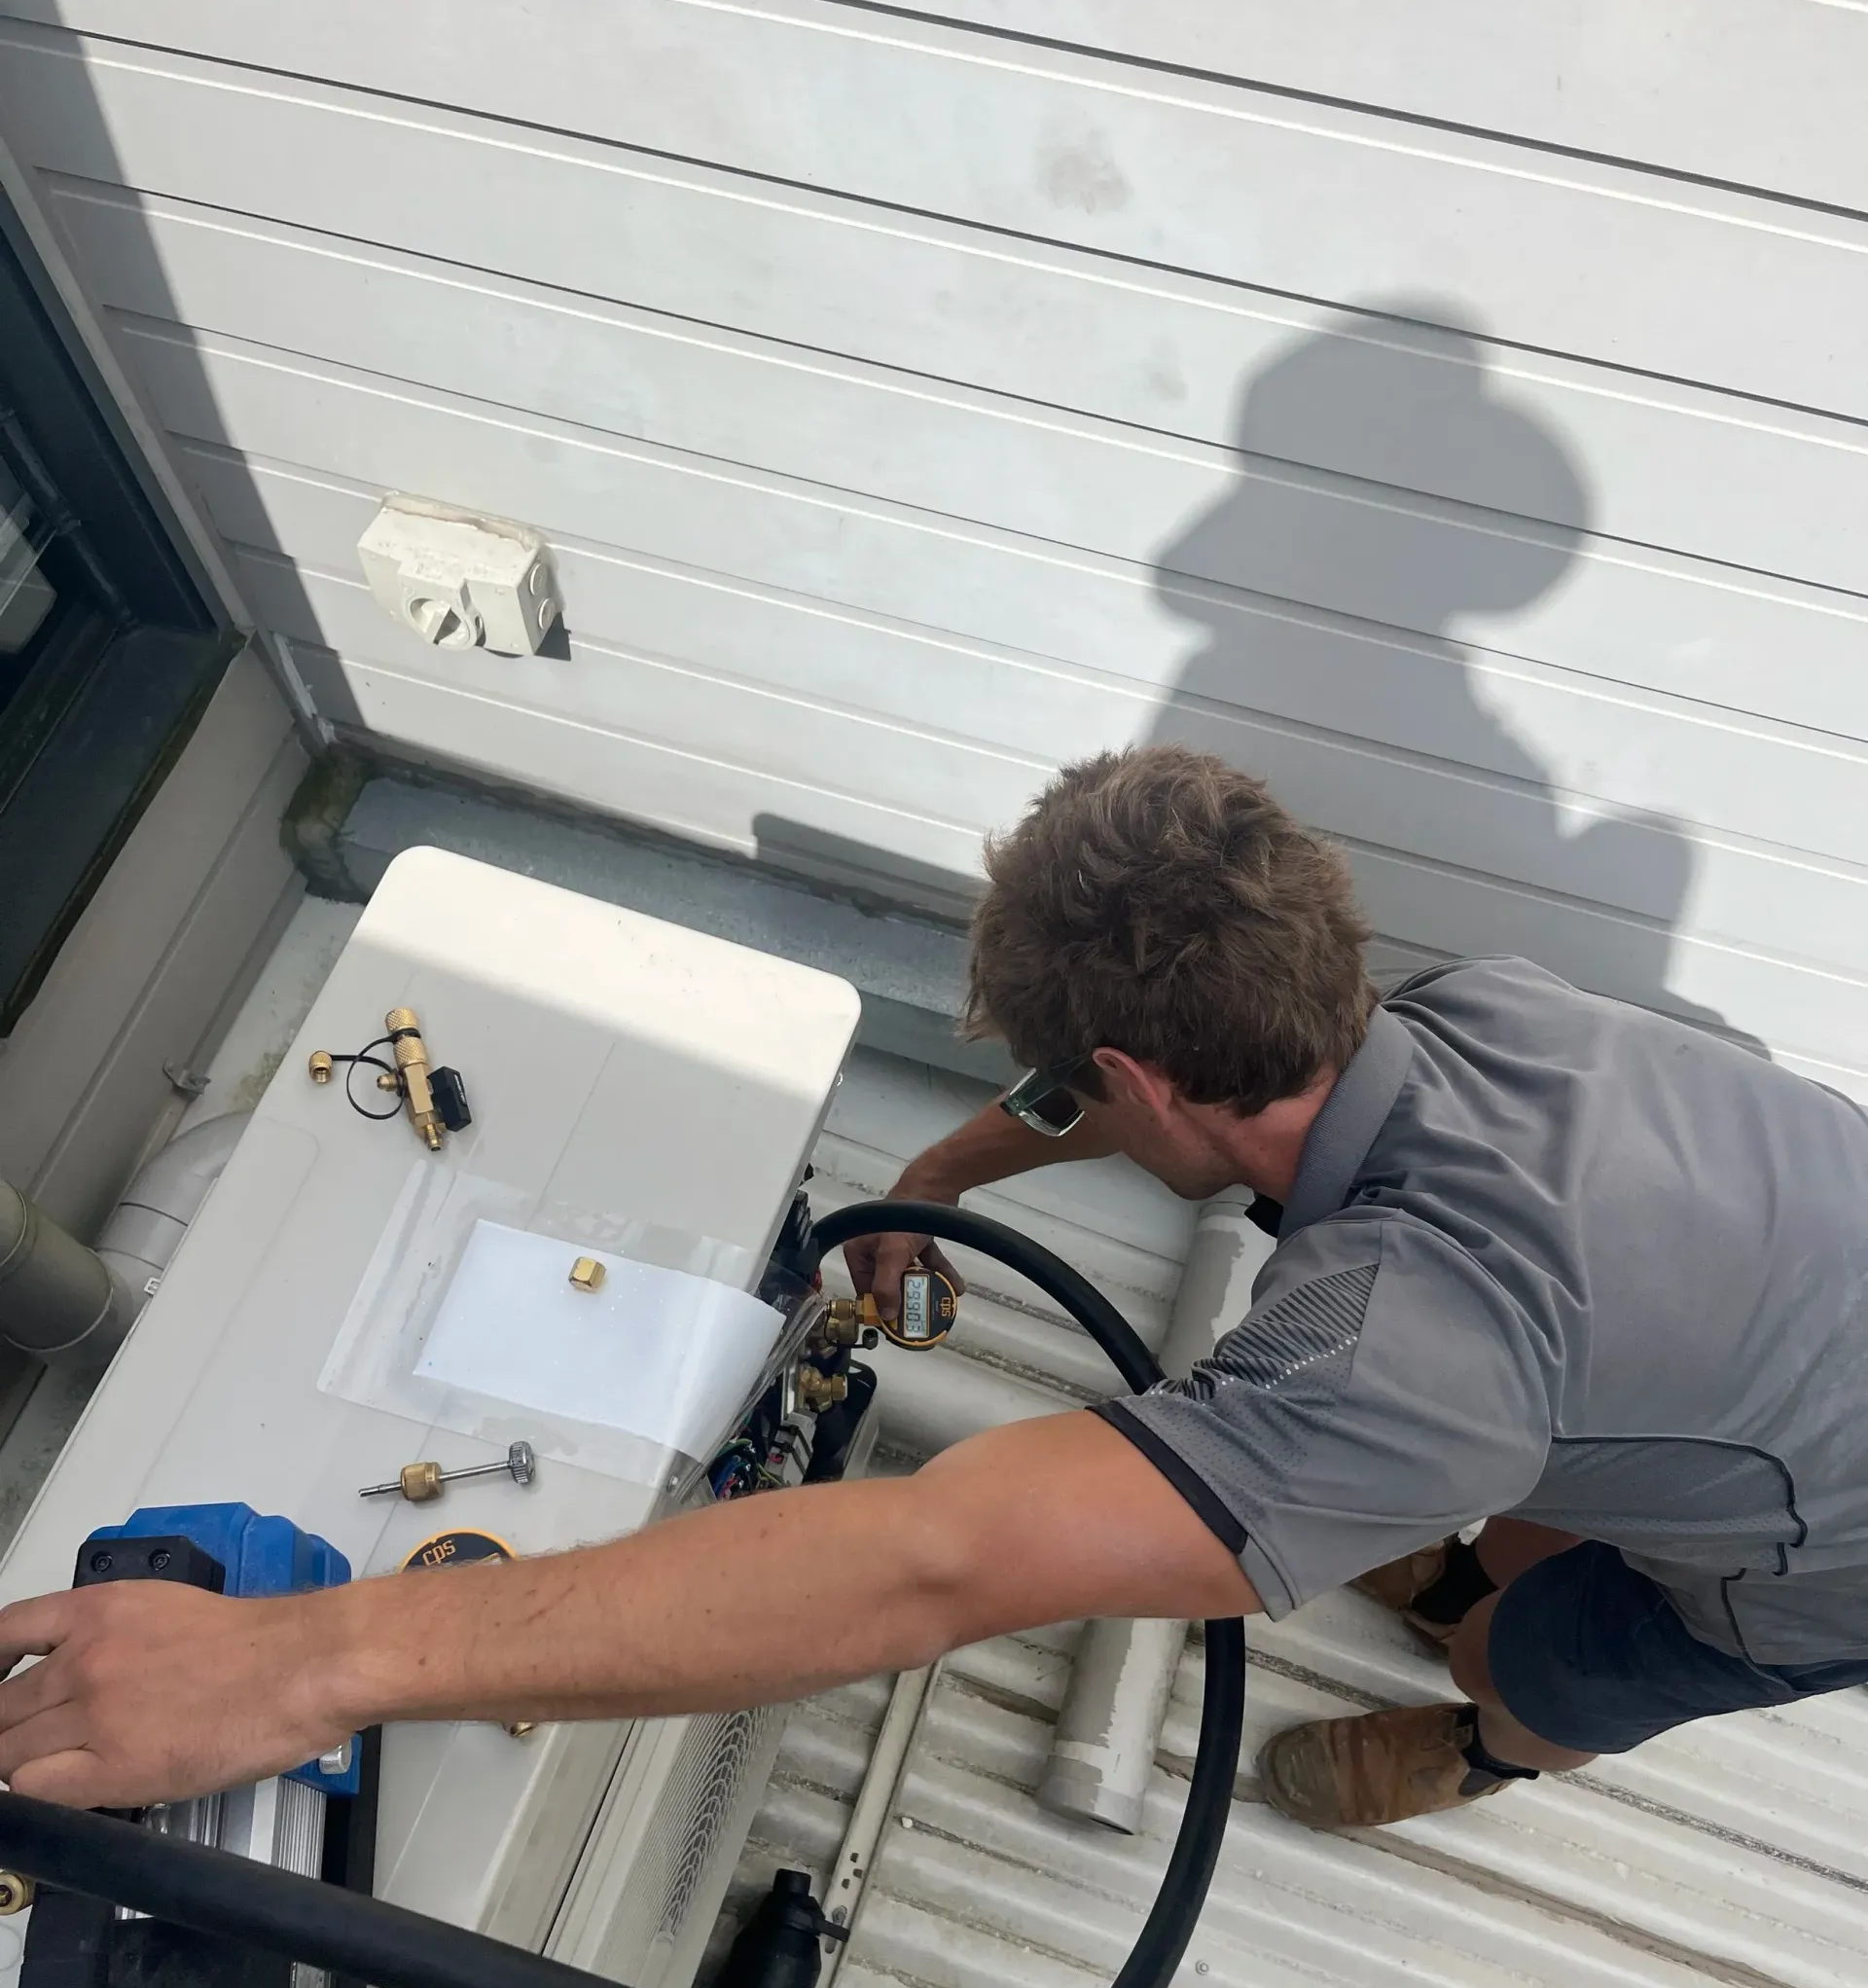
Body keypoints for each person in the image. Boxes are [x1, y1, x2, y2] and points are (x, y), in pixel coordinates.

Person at [5, 745, 1868, 1831]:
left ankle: (1482, 1744)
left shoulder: (1423, 1340)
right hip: (1740, 1328)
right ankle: (1452, 1541)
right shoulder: (1490, 1009)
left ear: (1148, 1082)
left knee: (1538, 1640)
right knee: (1524, 1482)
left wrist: (304, 1659)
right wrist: (940, 1170)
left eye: (1081, 1086)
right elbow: (1128, 1088)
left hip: (1828, 1549)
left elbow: (935, 1557)